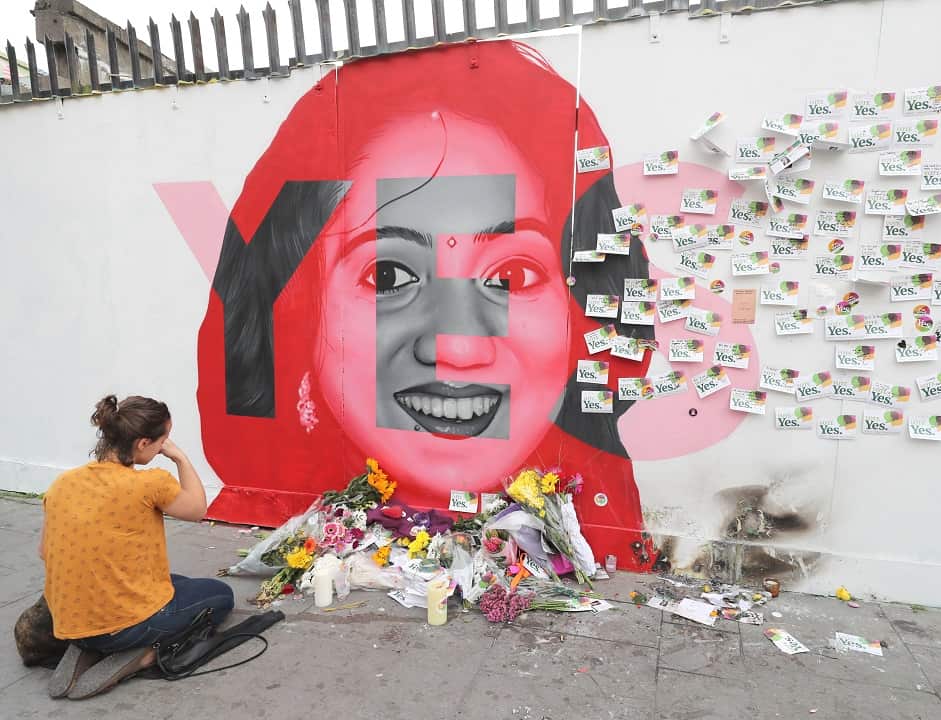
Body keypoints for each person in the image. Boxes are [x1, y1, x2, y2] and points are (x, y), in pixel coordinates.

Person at [197, 40, 658, 569]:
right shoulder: (282, 536)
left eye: (510, 275)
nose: (457, 346)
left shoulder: (608, 536)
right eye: (389, 274)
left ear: (575, 312)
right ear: (299, 315)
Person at [40, 395, 234, 700]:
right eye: (163, 440)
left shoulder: (64, 483)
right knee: (220, 596)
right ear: (143, 443)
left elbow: (43, 552)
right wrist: (180, 457)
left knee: (176, 583)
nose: (164, 447)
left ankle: (85, 646)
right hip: (123, 625)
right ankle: (139, 655)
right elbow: (197, 509)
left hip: (69, 620)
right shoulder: (149, 483)